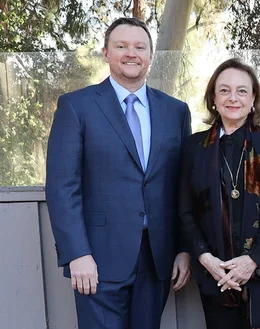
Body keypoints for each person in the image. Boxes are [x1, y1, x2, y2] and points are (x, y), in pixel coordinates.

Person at [45, 17, 192, 329]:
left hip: (157, 258)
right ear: (106, 53)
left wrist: (182, 249)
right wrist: (77, 253)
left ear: (151, 56)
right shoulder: (76, 107)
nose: (131, 53)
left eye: (140, 47)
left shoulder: (175, 111)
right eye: (121, 45)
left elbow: (181, 186)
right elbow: (62, 187)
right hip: (97, 259)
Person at [178, 58, 260, 329]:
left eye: (242, 91)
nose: (233, 98)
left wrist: (252, 261)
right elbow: (184, 211)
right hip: (214, 273)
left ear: (253, 98)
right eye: (224, 90)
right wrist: (205, 258)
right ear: (213, 99)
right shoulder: (194, 146)